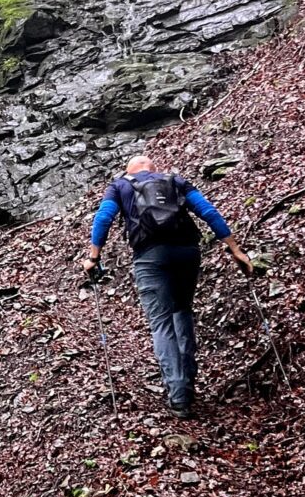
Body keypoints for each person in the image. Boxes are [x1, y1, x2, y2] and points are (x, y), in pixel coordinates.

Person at [82, 154, 255, 416]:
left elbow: (103, 218)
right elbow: (208, 211)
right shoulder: (174, 181)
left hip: (150, 257)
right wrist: (235, 250)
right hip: (187, 252)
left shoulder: (120, 185)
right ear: (154, 169)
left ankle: (179, 396)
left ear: (129, 170)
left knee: (162, 322)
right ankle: (188, 380)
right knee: (182, 310)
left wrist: (94, 257)